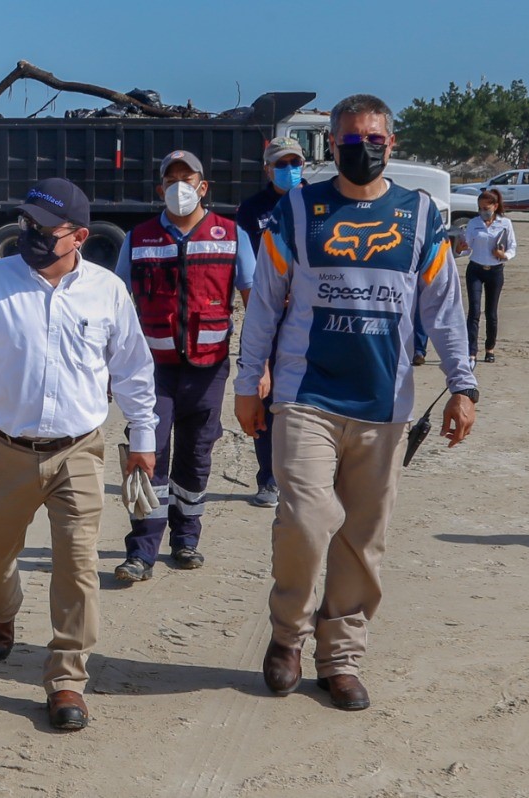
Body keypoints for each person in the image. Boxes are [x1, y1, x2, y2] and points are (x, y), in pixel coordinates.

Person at [235, 94, 478, 712]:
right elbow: (264, 303)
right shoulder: (298, 211)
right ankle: (288, 635)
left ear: (390, 145)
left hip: (385, 402)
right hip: (306, 393)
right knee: (307, 520)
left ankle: (339, 657)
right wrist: (247, 382)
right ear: (333, 145)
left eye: (373, 139)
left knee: (363, 538)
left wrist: (463, 384)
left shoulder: (420, 216)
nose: (361, 149)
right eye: (349, 140)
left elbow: (444, 310)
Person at [0, 178, 158, 731]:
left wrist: (143, 438)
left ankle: (67, 676)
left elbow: (134, 370)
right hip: (4, 449)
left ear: (78, 235)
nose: (30, 236)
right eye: (26, 225)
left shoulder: (106, 291)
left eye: (43, 230)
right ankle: (2, 614)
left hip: (79, 450)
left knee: (77, 563)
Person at [112, 150, 256, 582]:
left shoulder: (233, 236)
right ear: (160, 188)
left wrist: (258, 364)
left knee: (196, 456)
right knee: (148, 453)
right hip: (151, 370)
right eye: (170, 178)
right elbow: (115, 305)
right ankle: (141, 550)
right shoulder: (137, 238)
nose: (179, 185)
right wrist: (106, 365)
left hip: (208, 369)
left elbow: (256, 304)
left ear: (203, 186)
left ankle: (186, 539)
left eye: (187, 177)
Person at [235, 137, 308, 509]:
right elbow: (246, 272)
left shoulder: (321, 201)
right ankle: (268, 478)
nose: (289, 168)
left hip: (311, 317)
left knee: (305, 399)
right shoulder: (251, 211)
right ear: (267, 168)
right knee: (265, 394)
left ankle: (303, 477)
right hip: (269, 316)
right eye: (281, 163)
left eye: (295, 162)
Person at [457, 188, 516, 367]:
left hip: (495, 270)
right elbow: (467, 248)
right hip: (475, 269)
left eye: (486, 208)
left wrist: (503, 255)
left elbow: (512, 247)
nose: (483, 211)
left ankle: (490, 348)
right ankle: (471, 351)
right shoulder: (474, 223)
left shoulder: (505, 223)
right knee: (474, 311)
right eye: (480, 208)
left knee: (491, 312)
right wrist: (460, 248)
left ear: (495, 206)